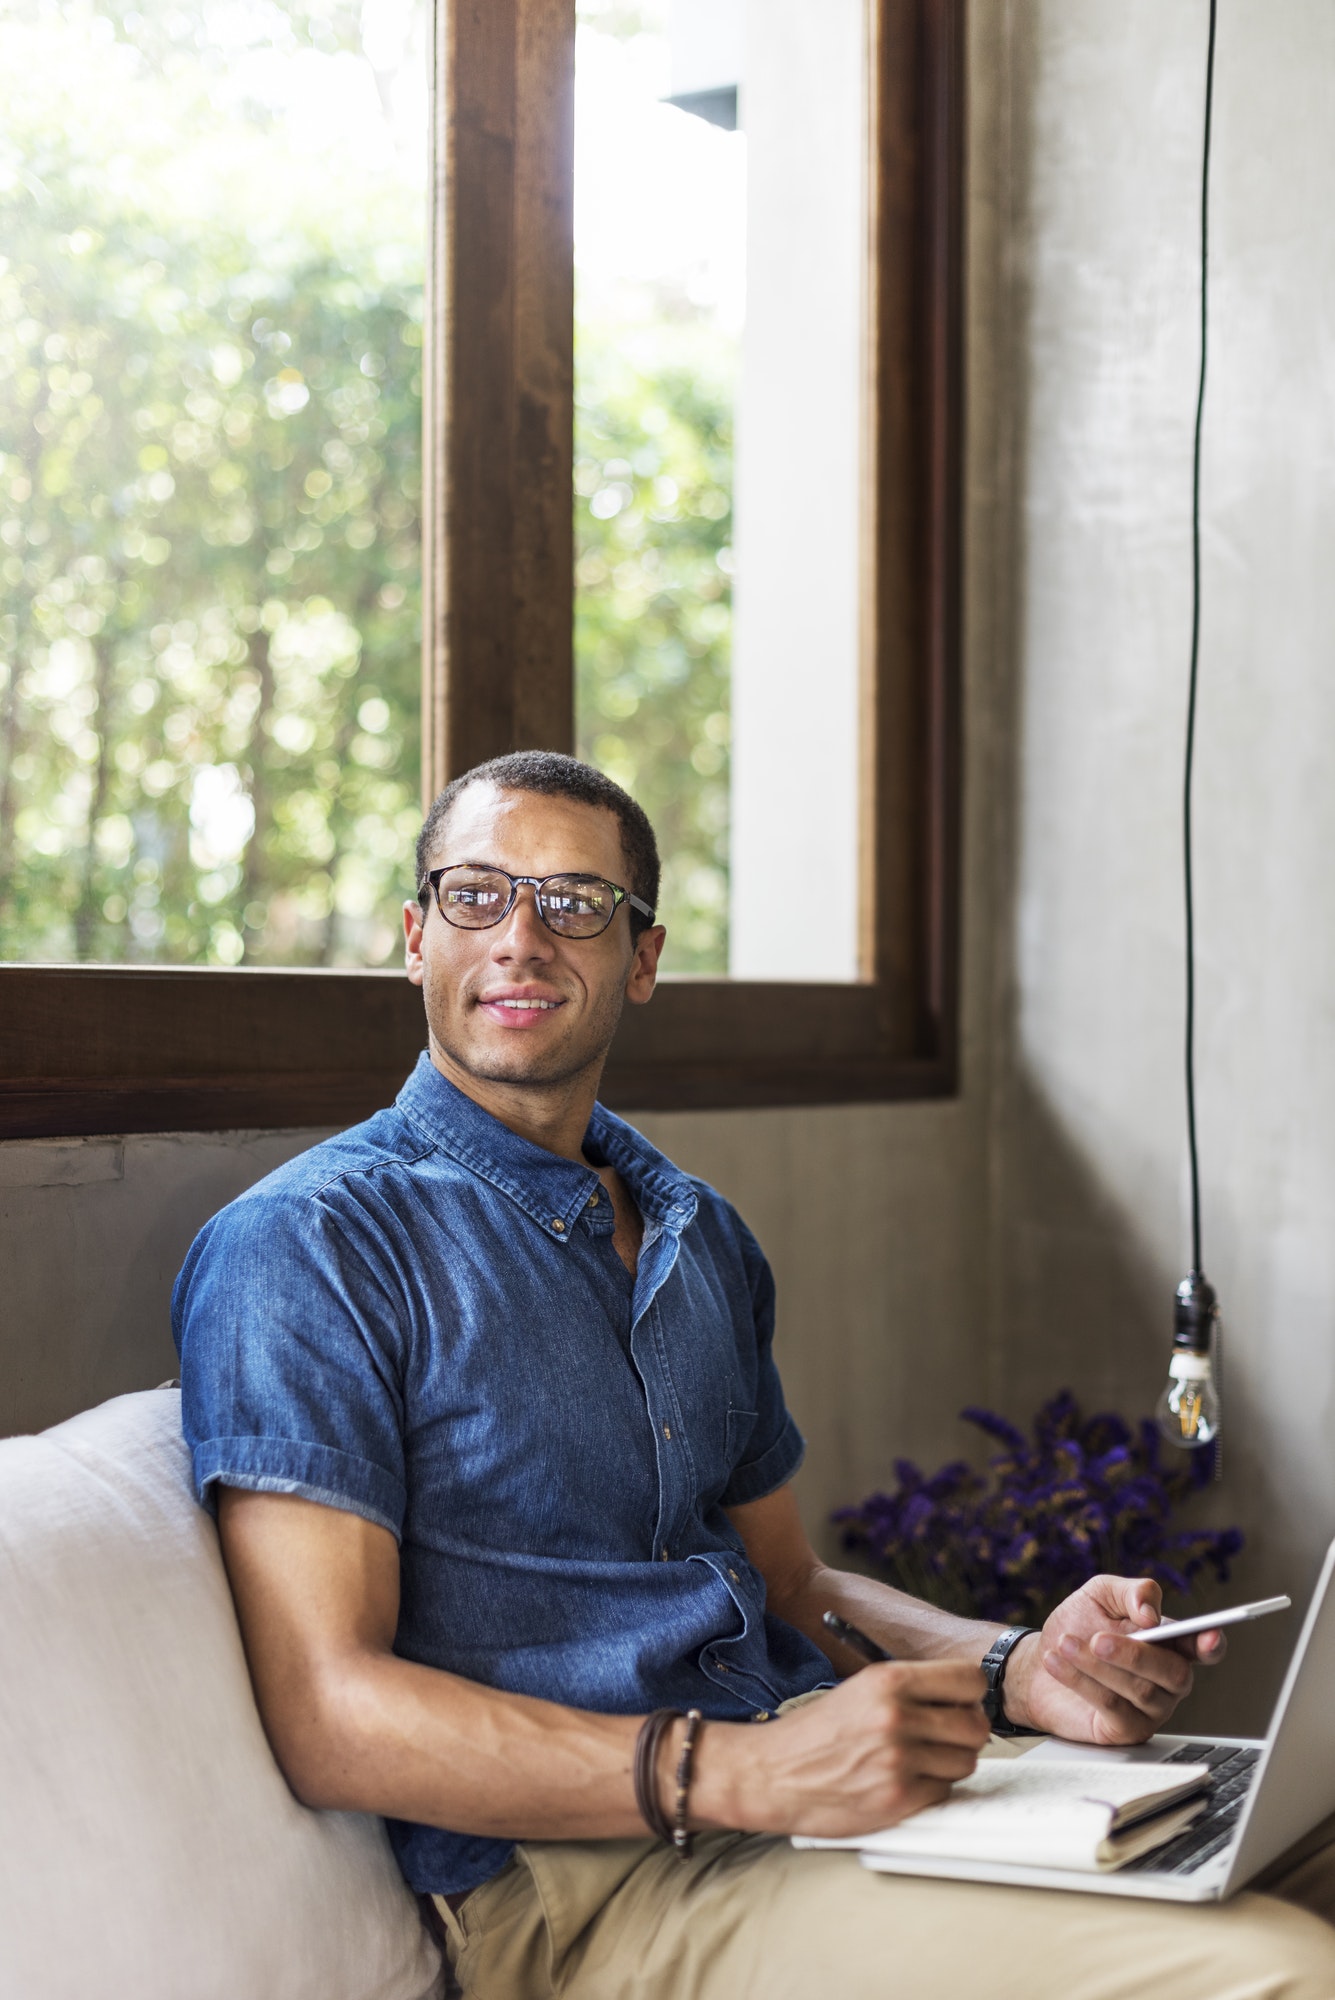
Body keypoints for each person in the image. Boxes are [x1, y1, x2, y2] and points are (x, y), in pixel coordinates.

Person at [174, 750, 1335, 1999]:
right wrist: (739, 1774)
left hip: (801, 1799)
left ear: (645, 958)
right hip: (595, 1883)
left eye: (575, 902)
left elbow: (787, 1580)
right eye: (475, 893)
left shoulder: (700, 1233)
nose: (519, 936)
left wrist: (1013, 1669)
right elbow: (328, 1707)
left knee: (1297, 1860)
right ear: (415, 936)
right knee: (1280, 1969)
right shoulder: (313, 1243)